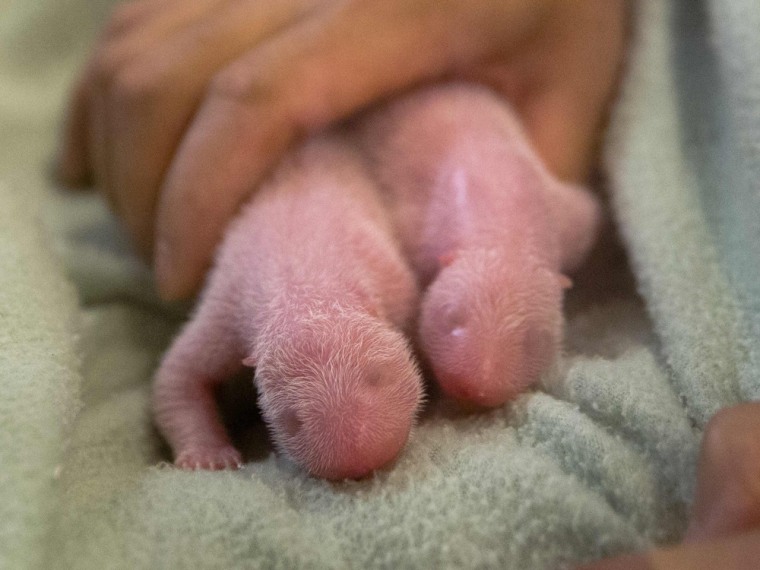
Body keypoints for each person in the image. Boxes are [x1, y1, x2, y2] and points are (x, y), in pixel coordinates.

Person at [56, 1, 760, 567]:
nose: (475, 383)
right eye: (292, 421)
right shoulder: (370, 275)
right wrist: (196, 444)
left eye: (375, 375)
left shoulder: (396, 263)